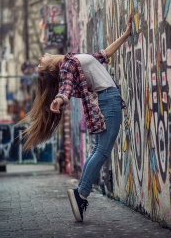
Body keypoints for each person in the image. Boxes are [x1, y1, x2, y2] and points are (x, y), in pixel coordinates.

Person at [19, 14, 132, 222]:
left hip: (105, 100)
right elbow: (66, 87)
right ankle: (81, 195)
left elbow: (104, 54)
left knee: (99, 149)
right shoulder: (65, 66)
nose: (39, 59)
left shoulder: (72, 61)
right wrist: (60, 99)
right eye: (40, 64)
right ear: (52, 68)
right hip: (108, 99)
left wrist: (125, 35)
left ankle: (80, 193)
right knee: (102, 150)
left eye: (38, 63)